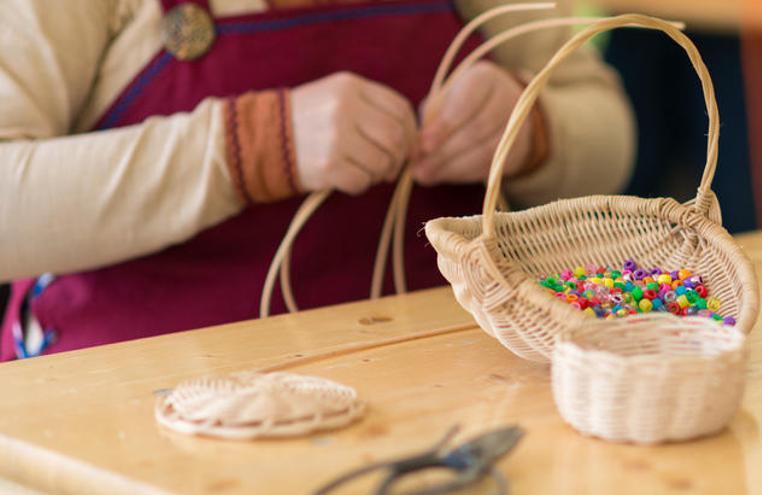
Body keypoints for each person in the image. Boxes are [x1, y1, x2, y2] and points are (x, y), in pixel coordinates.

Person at [0, 0, 634, 360]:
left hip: (448, 387)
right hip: (128, 410)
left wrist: (533, 130)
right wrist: (245, 148)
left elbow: (611, 135)